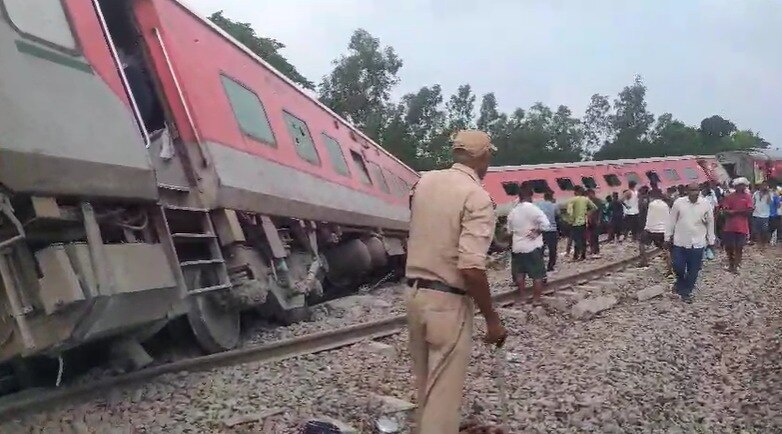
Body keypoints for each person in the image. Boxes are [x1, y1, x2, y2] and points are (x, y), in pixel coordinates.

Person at [405, 130, 507, 434]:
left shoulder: (424, 182)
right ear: (483, 157)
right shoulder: (476, 196)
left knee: (426, 390)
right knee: (443, 400)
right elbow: (472, 267)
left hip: (414, 294)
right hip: (448, 303)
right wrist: (492, 320)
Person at [665, 182, 716, 303]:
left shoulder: (705, 204)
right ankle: (681, 283)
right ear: (687, 191)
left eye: (696, 190)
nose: (694, 193)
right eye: (692, 190)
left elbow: (710, 223)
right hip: (680, 242)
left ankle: (686, 292)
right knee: (678, 267)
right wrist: (667, 237)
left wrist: (711, 240)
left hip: (698, 243)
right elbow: (671, 221)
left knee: (694, 270)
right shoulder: (679, 203)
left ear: (699, 191)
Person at [508, 187, 550, 302]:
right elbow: (546, 224)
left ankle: (522, 298)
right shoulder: (533, 208)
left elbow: (509, 230)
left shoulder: (513, 211)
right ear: (529, 196)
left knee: (520, 274)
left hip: (517, 247)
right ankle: (536, 300)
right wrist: (537, 231)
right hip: (532, 247)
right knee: (538, 275)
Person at [721, 178, 753, 273]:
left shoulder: (748, 196)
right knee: (729, 246)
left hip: (742, 227)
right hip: (729, 226)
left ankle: (737, 264)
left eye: (743, 185)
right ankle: (731, 264)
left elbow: (749, 211)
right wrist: (738, 212)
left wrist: (734, 211)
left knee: (739, 246)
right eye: (739, 185)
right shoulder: (730, 197)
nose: (741, 187)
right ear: (735, 186)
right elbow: (725, 211)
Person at [641, 189, 671, 272]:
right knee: (666, 249)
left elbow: (645, 210)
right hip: (663, 231)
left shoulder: (651, 204)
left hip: (651, 230)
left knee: (642, 244)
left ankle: (644, 261)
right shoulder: (665, 205)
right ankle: (669, 268)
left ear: (652, 197)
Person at [567, 186, 597, 261]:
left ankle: (575, 256)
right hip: (583, 222)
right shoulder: (586, 199)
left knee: (576, 240)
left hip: (575, 223)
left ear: (576, 192)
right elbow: (594, 208)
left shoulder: (572, 200)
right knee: (583, 239)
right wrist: (587, 213)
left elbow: (569, 211)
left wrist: (570, 220)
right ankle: (583, 255)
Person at [535, 191, 559, 271]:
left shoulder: (539, 205)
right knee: (552, 249)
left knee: (541, 249)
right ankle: (550, 266)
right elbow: (557, 215)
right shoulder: (554, 205)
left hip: (541, 230)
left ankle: (539, 266)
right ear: (552, 197)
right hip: (552, 230)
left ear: (544, 197)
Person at [752, 182, 773, 247]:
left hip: (765, 215)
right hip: (756, 214)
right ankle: (758, 243)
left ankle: (764, 243)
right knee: (756, 229)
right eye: (763, 185)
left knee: (764, 229)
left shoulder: (770, 194)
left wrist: (768, 194)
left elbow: (770, 202)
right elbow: (753, 202)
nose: (764, 187)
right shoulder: (756, 193)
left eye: (765, 186)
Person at [585, 188, 603, 257]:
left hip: (595, 220)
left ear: (592, 193)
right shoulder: (588, 201)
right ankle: (592, 250)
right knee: (590, 237)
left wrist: (599, 220)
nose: (588, 196)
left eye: (589, 194)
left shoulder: (598, 201)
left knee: (595, 236)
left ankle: (596, 250)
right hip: (590, 221)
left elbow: (600, 211)